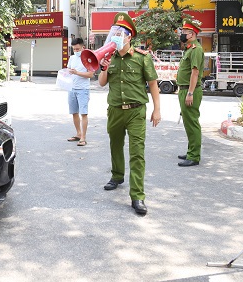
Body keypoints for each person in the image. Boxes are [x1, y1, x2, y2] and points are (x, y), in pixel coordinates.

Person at [98, 13, 161, 216]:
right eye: (114, 32)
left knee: (137, 153)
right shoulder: (110, 58)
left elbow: (153, 84)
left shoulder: (142, 58)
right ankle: (117, 176)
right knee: (115, 144)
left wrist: (157, 109)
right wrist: (104, 68)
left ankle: (138, 196)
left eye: (120, 33)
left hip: (136, 111)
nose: (115, 36)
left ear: (129, 37)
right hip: (115, 110)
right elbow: (101, 83)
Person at [176, 20, 204, 167]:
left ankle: (194, 156)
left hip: (190, 90)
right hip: (185, 89)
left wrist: (190, 93)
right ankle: (191, 151)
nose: (182, 34)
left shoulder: (196, 50)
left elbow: (195, 73)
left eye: (184, 32)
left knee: (192, 122)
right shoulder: (189, 49)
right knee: (188, 122)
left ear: (192, 34)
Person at [66, 38, 93, 146]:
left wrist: (77, 73)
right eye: (74, 49)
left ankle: (83, 137)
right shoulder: (72, 58)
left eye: (78, 49)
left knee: (83, 113)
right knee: (74, 112)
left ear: (83, 48)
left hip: (83, 89)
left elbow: (91, 74)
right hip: (72, 88)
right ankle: (78, 133)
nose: (76, 51)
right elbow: (68, 70)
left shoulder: (88, 58)